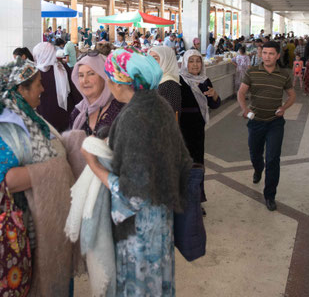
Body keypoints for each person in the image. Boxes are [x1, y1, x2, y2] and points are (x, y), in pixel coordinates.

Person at [81, 49, 192, 296]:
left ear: (119, 82)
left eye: (109, 76)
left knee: (138, 285)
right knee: (158, 281)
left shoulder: (133, 117)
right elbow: (183, 160)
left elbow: (134, 193)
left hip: (138, 228)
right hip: (161, 218)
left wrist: (94, 164)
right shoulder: (159, 105)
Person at [0, 58, 75, 295]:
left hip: (46, 222)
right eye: (38, 84)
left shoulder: (30, 118)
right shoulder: (2, 129)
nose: (43, 89)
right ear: (20, 89)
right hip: (22, 231)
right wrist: (56, 169)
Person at [237, 41, 296, 211]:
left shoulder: (283, 75)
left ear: (278, 55)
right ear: (260, 54)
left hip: (275, 123)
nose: (267, 57)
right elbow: (241, 92)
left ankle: (270, 195)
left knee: (272, 158)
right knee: (255, 153)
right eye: (264, 53)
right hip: (255, 121)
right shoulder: (252, 72)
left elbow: (292, 95)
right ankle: (257, 168)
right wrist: (244, 108)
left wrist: (284, 107)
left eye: (271, 54)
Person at [179, 49, 221, 207]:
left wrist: (215, 95)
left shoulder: (205, 80)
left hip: (198, 129)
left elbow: (214, 104)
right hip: (181, 128)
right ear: (185, 63)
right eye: (191, 61)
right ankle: (183, 199)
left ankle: (197, 199)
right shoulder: (178, 80)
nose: (195, 64)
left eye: (198, 61)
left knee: (198, 163)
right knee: (183, 163)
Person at [69, 54, 125, 136]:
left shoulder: (119, 110)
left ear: (104, 77)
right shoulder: (77, 112)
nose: (85, 81)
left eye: (91, 74)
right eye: (81, 75)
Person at [33, 42, 83, 132]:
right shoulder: (62, 68)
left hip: (45, 115)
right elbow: (75, 93)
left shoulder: (35, 74)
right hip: (66, 114)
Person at [150, 45, 182, 117]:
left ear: (166, 60)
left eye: (155, 59)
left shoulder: (169, 84)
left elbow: (172, 114)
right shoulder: (156, 80)